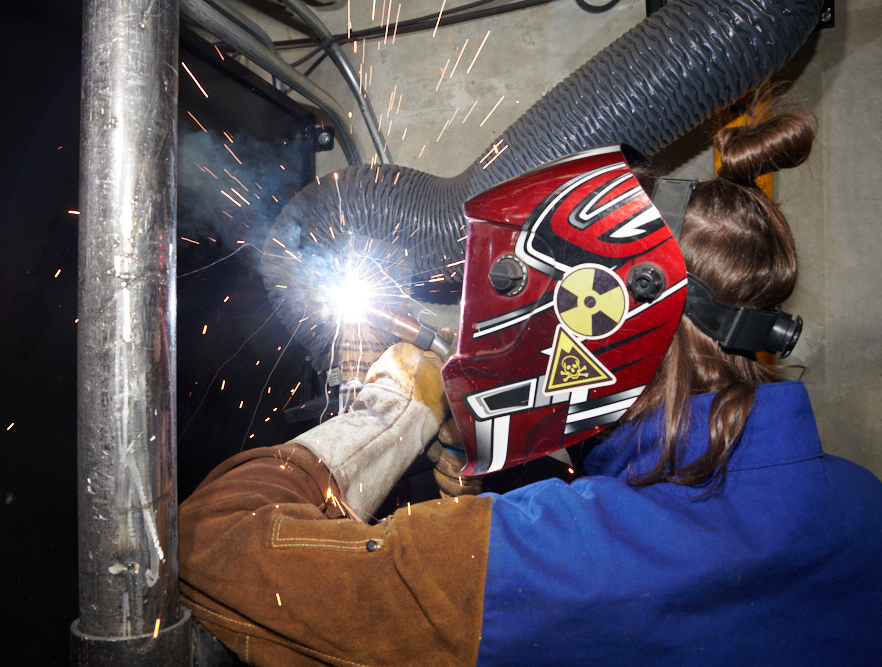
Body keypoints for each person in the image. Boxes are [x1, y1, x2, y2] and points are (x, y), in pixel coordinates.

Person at [179, 98, 882, 665]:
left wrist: (394, 408)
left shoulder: (541, 560)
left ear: (607, 332)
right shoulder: (860, 500)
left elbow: (213, 545)